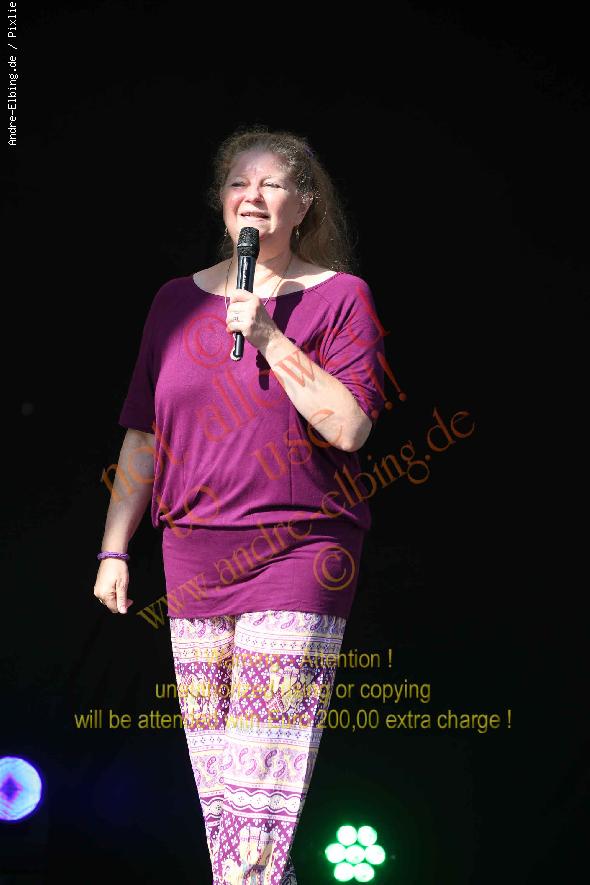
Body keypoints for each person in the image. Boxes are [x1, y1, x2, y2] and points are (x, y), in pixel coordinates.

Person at [94, 126, 387, 885]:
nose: (252, 196)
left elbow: (350, 428)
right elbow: (143, 434)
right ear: (220, 201)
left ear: (305, 203)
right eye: (238, 183)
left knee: (261, 791)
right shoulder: (173, 301)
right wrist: (115, 546)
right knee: (223, 794)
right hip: (193, 556)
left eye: (272, 184)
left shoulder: (340, 298)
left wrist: (267, 335)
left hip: (297, 551)